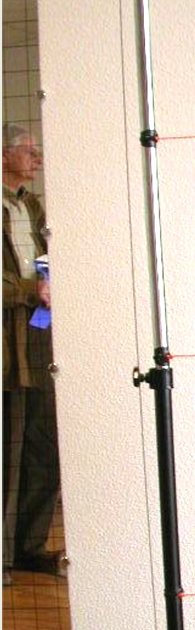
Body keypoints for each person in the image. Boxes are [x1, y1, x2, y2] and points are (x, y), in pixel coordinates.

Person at [3, 123, 63, 582]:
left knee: (44, 448)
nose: (37, 157)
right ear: (4, 154)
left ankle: (29, 547)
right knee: (10, 452)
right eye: (28, 150)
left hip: (39, 343)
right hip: (7, 346)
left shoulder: (33, 206)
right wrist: (31, 289)